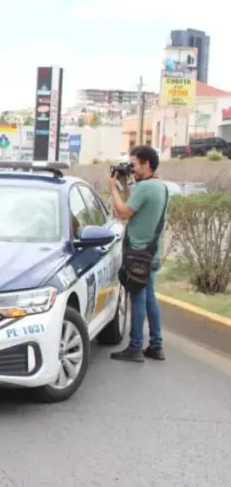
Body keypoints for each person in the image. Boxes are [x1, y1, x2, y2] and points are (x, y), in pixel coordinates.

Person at [109, 145, 169, 363]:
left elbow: (123, 212)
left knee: (138, 299)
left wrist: (113, 189)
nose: (131, 169)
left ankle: (135, 347)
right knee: (150, 299)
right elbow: (133, 204)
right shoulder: (159, 186)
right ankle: (156, 345)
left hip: (138, 256)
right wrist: (125, 185)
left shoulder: (145, 188)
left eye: (134, 165)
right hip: (151, 255)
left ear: (147, 164)